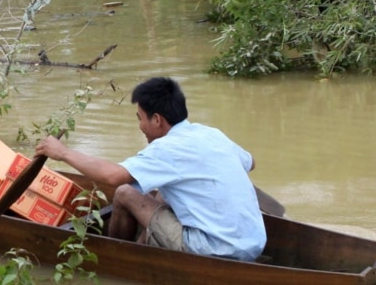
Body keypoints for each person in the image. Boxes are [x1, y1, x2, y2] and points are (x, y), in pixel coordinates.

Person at [35, 77, 266, 262]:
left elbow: (113, 176)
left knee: (125, 193)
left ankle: (118, 263)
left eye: (140, 119)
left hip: (214, 249)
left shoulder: (167, 148)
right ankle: (145, 248)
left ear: (157, 120)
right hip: (253, 244)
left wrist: (63, 153)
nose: (140, 127)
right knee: (162, 194)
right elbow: (251, 162)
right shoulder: (210, 134)